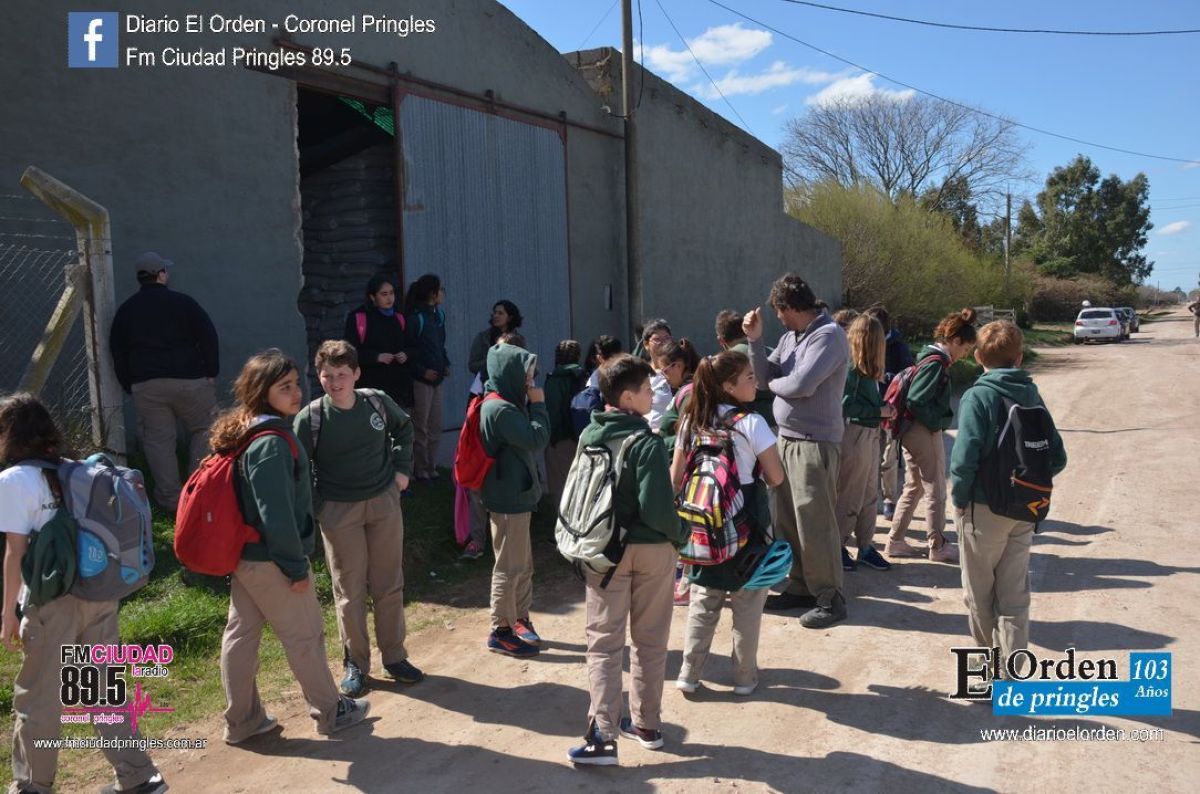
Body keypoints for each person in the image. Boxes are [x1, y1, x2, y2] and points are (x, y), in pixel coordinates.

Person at [1, 394, 169, 794]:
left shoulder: (13, 480)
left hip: (52, 601)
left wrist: (7, 612)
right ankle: (139, 777)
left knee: (39, 698)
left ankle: (32, 787)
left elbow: (14, 553)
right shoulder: (74, 469)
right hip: (99, 592)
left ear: (10, 434)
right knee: (101, 687)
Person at [213, 349, 369, 743]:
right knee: (305, 637)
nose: (296, 392)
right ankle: (332, 712)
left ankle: (243, 721)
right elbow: (276, 515)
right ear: (264, 392)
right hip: (272, 560)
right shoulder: (271, 444)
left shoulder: (251, 430)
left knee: (242, 636)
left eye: (296, 383)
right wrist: (296, 568)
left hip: (247, 558)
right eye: (285, 387)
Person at [568, 355, 684, 766]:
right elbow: (656, 507)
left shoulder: (590, 437)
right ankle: (647, 725)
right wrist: (680, 536)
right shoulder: (646, 442)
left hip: (603, 552)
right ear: (629, 395)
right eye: (648, 390)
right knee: (650, 641)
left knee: (603, 644)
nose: (653, 396)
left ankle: (602, 735)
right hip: (652, 552)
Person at [293, 340, 423, 699]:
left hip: (383, 502)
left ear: (356, 374)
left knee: (388, 583)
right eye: (327, 376)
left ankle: (395, 657)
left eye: (342, 375)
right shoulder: (312, 417)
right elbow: (298, 467)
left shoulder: (376, 401)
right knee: (349, 592)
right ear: (318, 376)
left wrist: (401, 470)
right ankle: (356, 664)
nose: (335, 383)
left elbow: (405, 430)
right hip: (339, 511)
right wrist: (320, 505)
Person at [949, 321, 1066, 675]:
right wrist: (1024, 485)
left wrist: (959, 498)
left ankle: (987, 673)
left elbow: (964, 458)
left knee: (979, 595)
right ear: (1019, 357)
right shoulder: (1032, 395)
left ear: (978, 356)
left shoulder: (977, 396)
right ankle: (1014, 670)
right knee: (1014, 598)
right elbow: (1057, 457)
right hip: (1024, 509)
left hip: (983, 508)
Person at [670, 351, 784, 697]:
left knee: (703, 602)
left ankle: (689, 674)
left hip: (702, 529)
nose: (756, 382)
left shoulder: (691, 422)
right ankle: (745, 677)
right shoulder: (752, 424)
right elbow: (776, 477)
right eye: (749, 377)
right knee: (748, 604)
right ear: (728, 386)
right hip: (745, 524)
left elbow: (675, 478)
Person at [745, 273, 850, 629]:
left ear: (788, 307)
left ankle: (829, 597)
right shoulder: (793, 336)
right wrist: (755, 342)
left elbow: (802, 385)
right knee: (788, 521)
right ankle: (801, 586)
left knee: (815, 522)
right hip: (788, 439)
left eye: (778, 312)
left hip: (814, 442)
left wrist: (775, 385)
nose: (777, 319)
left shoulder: (829, 335)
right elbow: (762, 376)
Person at [109, 251, 219, 511]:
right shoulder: (184, 303)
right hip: (191, 380)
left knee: (159, 442)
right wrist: (210, 371)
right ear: (161, 275)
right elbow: (208, 335)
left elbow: (118, 350)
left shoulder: (126, 310)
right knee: (205, 430)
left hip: (147, 385)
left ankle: (170, 500)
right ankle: (197, 491)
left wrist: (130, 383)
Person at [886, 308, 978, 563]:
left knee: (914, 486)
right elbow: (917, 399)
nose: (964, 355)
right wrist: (936, 423)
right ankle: (937, 546)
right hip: (922, 430)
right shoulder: (936, 364)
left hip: (909, 430)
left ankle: (895, 541)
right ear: (955, 341)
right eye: (966, 349)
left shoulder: (928, 359)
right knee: (935, 487)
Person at [480, 342, 550, 657]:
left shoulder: (506, 402)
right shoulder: (500, 409)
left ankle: (520, 618)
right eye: (526, 375)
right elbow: (537, 438)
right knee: (509, 566)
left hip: (516, 496)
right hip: (507, 500)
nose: (530, 382)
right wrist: (538, 404)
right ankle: (501, 630)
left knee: (522, 564)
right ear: (510, 372)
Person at [836, 314, 894, 573]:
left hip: (870, 434)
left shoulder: (867, 369)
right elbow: (844, 405)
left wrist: (881, 411)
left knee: (870, 495)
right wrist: (879, 411)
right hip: (855, 434)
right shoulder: (851, 368)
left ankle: (866, 547)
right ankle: (837, 546)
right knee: (850, 495)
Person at [865, 304, 912, 521]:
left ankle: (889, 500)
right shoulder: (867, 343)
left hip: (891, 411)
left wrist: (884, 376)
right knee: (870, 458)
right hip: (871, 410)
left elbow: (908, 375)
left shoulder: (898, 347)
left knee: (888, 458)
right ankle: (870, 499)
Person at [404, 274, 451, 482]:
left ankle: (431, 467)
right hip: (421, 380)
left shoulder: (438, 315)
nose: (443, 293)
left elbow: (440, 345)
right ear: (432, 293)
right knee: (420, 426)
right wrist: (422, 371)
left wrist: (445, 364)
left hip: (437, 378)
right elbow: (408, 350)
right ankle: (420, 469)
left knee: (435, 425)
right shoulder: (416, 318)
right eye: (440, 289)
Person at [345, 274, 412, 409]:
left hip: (397, 387)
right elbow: (350, 352)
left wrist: (406, 354)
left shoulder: (399, 317)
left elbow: (412, 345)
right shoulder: (359, 318)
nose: (389, 298)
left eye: (392, 293)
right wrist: (376, 357)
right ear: (372, 297)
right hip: (370, 387)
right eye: (384, 294)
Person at [715, 310, 775, 426]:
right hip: (782, 423)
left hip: (750, 425)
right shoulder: (771, 351)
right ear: (745, 329)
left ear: (720, 340)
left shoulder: (726, 362)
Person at [544, 340, 585, 503]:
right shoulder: (583, 377)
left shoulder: (553, 380)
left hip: (559, 440)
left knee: (560, 489)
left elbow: (552, 412)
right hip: (580, 438)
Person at [655, 338, 702, 450]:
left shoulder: (689, 394)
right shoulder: (685, 390)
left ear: (678, 366)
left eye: (665, 371)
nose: (664, 377)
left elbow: (687, 438)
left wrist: (657, 444)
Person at [468, 300, 523, 377]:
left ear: (510, 318)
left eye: (500, 313)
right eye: (495, 313)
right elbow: (472, 366)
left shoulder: (518, 339)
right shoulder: (482, 338)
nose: (495, 316)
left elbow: (527, 365)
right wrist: (491, 361)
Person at [639, 321, 675, 433]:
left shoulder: (679, 370)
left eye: (667, 338)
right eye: (657, 339)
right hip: (647, 434)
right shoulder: (640, 373)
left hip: (672, 435)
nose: (663, 343)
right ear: (646, 345)